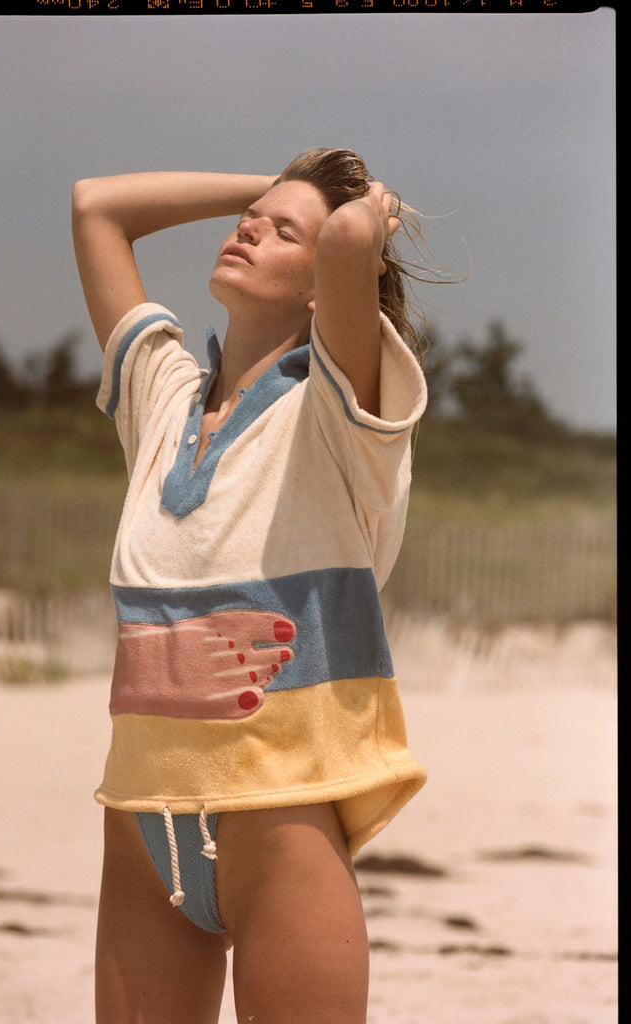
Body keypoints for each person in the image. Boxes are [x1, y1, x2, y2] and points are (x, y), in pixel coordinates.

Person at [72, 148, 429, 1024]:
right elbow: (97, 208)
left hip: (282, 824)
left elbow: (350, 234)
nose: (248, 229)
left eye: (279, 233)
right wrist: (267, 189)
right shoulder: (162, 399)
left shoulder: (344, 415)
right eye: (250, 220)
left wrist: (360, 209)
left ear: (325, 288)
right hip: (143, 819)